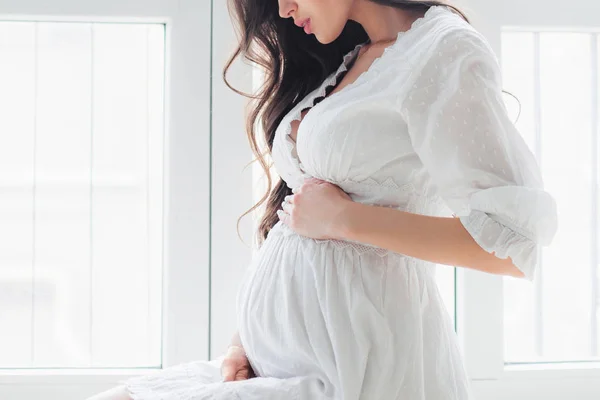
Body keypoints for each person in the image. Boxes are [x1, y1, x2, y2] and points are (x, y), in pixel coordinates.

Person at [86, 0, 558, 399]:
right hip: (280, 361)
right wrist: (242, 342)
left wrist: (346, 219)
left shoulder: (443, 50)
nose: (284, 10)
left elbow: (512, 242)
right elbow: (299, 229)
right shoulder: (352, 57)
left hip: (354, 365)